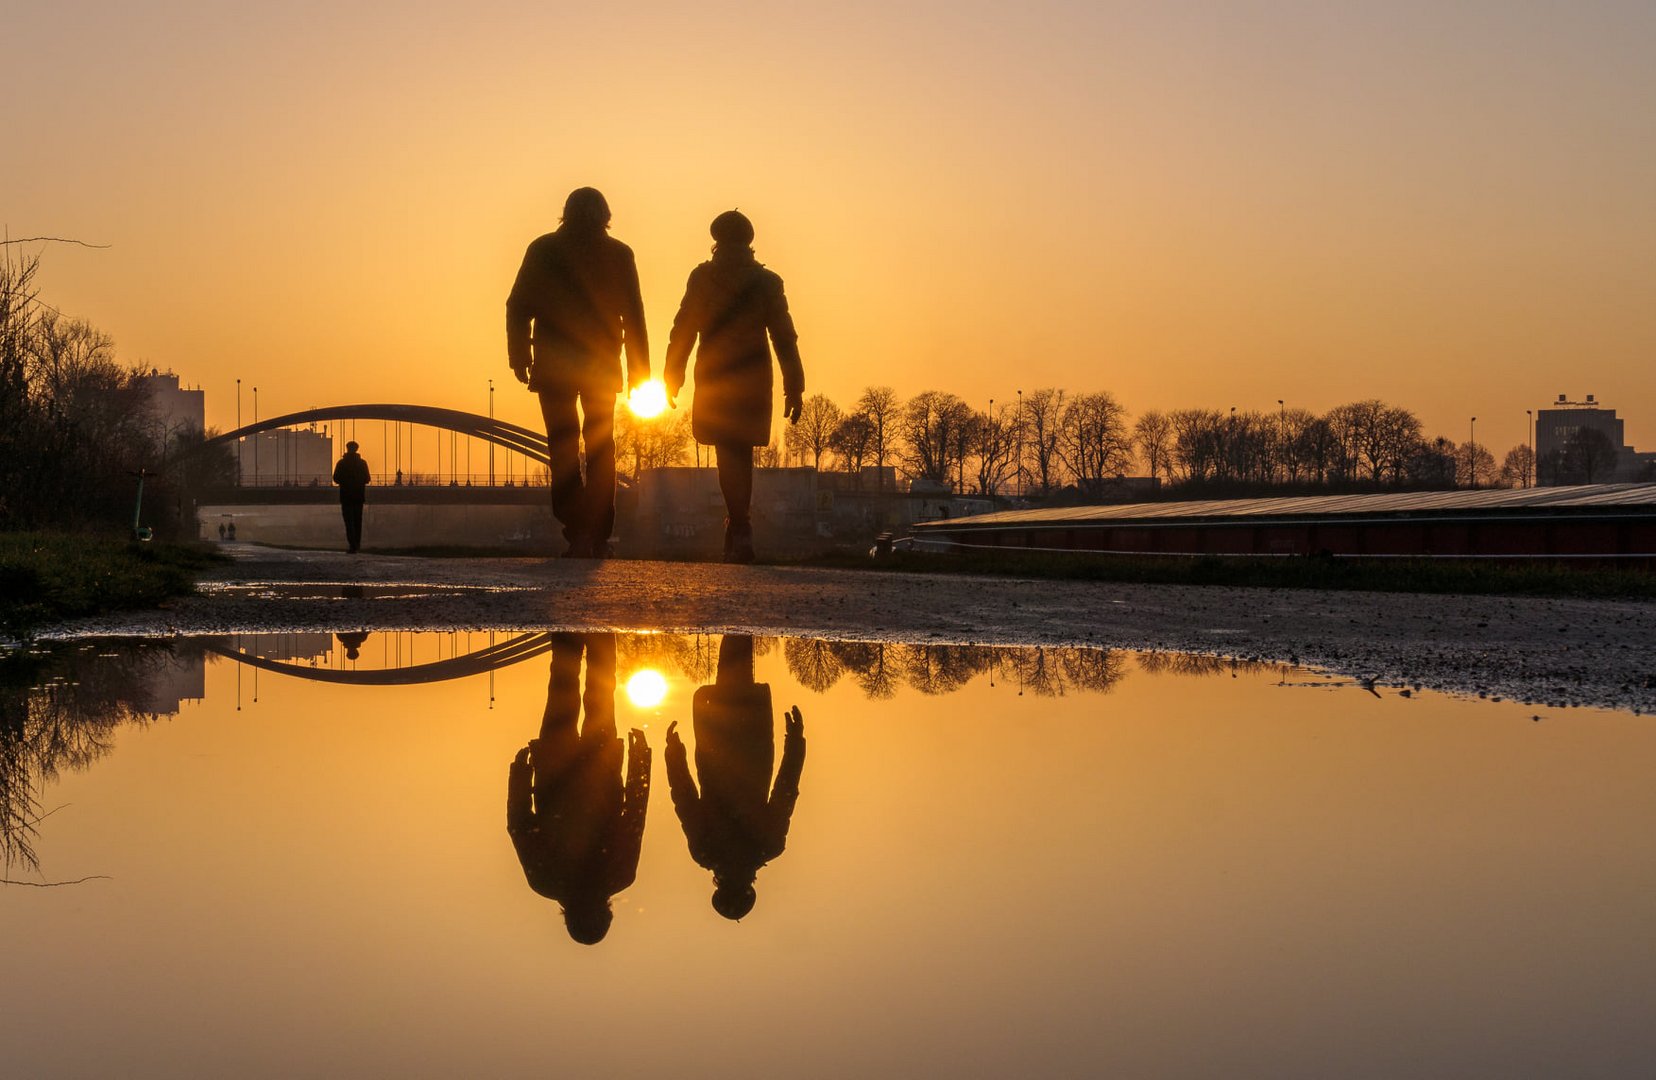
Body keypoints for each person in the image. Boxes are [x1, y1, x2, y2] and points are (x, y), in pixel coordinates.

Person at [506, 187, 650, 558]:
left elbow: (518, 305)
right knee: (602, 448)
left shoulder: (543, 250)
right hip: (600, 365)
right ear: (606, 215)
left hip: (554, 364)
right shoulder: (619, 254)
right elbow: (633, 315)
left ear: (565, 213)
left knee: (562, 445)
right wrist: (639, 371)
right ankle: (599, 532)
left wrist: (520, 353)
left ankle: (576, 529)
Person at [664, 210, 805, 563]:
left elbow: (684, 327)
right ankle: (740, 527)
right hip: (753, 376)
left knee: (729, 451)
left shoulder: (702, 278)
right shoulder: (768, 283)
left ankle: (739, 525)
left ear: (717, 240)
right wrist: (794, 386)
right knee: (741, 452)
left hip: (715, 374)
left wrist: (673, 373)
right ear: (749, 242)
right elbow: (784, 337)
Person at [507, 633, 651, 944]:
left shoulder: (619, 875)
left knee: (599, 691)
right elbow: (519, 824)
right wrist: (520, 774)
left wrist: (642, 760)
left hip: (598, 769)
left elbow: (635, 815)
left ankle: (597, 635)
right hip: (556, 770)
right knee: (564, 686)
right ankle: (567, 636)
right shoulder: (545, 881)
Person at [664, 635, 805, 920]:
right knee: (729, 672)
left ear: (750, 890)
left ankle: (739, 616)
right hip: (715, 749)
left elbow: (786, 788)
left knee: (736, 670)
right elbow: (683, 797)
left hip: (754, 747)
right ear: (718, 888)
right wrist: (674, 753)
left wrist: (796, 741)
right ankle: (737, 616)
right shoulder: (706, 851)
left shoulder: (768, 845)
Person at [331, 441, 370, 553]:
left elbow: (336, 478)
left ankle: (352, 545)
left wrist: (346, 481)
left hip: (346, 496)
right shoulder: (362, 463)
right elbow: (367, 479)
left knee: (349, 522)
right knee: (358, 521)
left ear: (347, 449)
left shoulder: (341, 463)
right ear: (357, 449)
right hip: (359, 496)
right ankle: (357, 544)